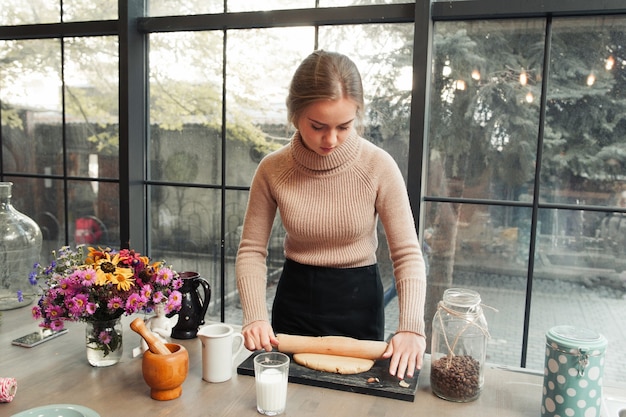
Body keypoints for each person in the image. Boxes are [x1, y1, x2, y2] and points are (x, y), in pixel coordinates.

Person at [235, 50, 427, 380]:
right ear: (295, 114)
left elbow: (408, 255)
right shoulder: (272, 169)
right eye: (318, 126)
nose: (331, 139)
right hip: (295, 302)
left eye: (344, 126)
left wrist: (411, 327)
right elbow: (251, 251)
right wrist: (254, 315)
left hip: (359, 304)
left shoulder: (379, 166)